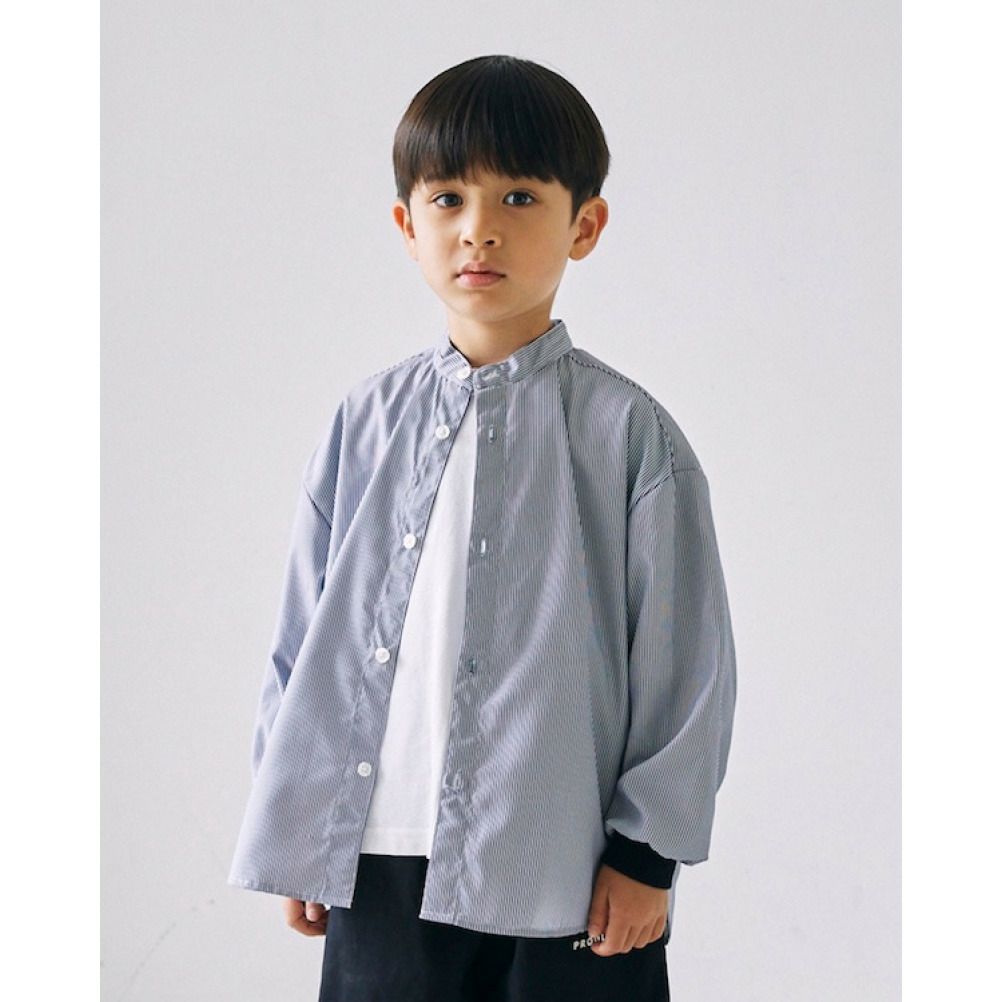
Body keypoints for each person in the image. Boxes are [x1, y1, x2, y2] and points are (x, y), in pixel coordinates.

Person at [227, 53, 738, 1002]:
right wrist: (295, 817)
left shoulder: (630, 436)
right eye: (448, 198)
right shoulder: (364, 424)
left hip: (559, 863)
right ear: (407, 226)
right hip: (377, 850)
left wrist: (647, 856)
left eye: (519, 198)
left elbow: (687, 666)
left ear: (585, 226)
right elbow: (304, 637)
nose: (478, 229)